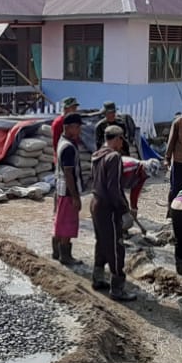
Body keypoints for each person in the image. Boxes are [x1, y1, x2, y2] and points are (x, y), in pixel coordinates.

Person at [92, 125, 136, 301]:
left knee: (102, 242)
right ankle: (117, 289)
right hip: (107, 207)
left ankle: (98, 278)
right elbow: (114, 188)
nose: (121, 143)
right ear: (116, 139)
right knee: (116, 247)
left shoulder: (97, 155)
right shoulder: (114, 157)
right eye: (121, 139)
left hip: (95, 203)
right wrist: (124, 209)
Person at [53, 113, 85, 266]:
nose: (79, 130)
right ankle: (65, 256)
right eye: (77, 127)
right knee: (67, 223)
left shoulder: (62, 141)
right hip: (67, 191)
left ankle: (56, 251)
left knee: (60, 221)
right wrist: (75, 197)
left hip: (60, 189)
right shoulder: (69, 148)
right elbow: (69, 173)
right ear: (68, 127)